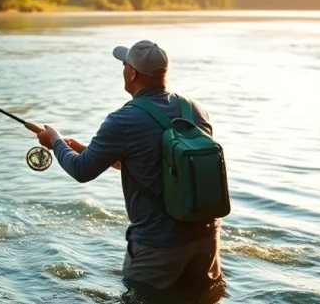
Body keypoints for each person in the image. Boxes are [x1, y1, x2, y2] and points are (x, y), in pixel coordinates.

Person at [36, 40, 222, 291]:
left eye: (124, 65)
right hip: (207, 239)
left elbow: (81, 171)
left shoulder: (123, 119)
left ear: (132, 73)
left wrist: (55, 141)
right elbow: (163, 167)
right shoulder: (196, 111)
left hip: (157, 246)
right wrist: (85, 150)